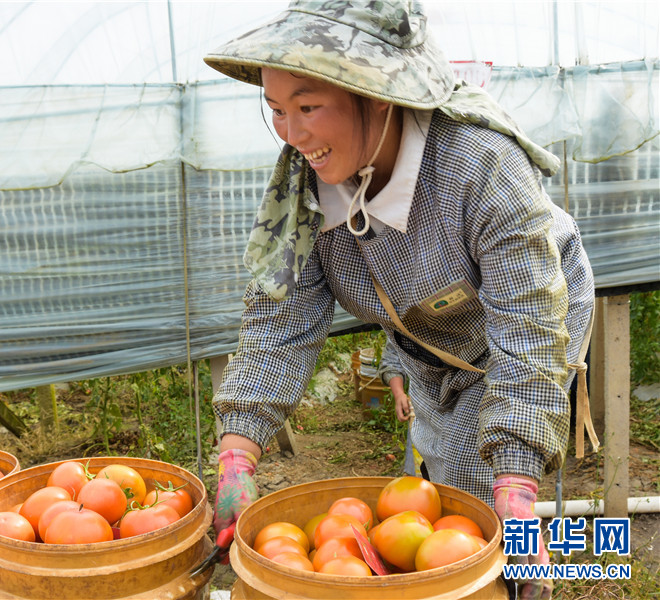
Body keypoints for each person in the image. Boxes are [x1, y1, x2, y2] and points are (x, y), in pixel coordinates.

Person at [203, 2, 595, 598]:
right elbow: (279, 325)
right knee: (442, 480)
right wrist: (237, 455)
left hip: (533, 314)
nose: (294, 134)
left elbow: (528, 324)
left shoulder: (480, 167)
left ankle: (529, 572)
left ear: (379, 96)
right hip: (430, 336)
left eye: (309, 107)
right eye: (277, 110)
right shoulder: (307, 188)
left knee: (493, 492)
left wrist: (516, 480)